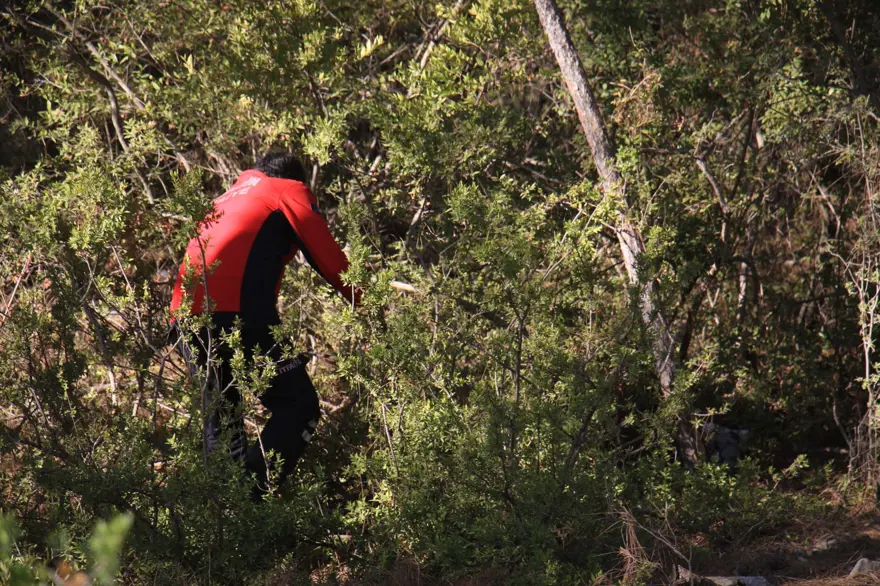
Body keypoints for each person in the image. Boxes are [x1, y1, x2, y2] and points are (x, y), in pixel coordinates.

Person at [169, 151, 359, 499]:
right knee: (299, 406)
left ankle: (229, 515)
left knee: (223, 426)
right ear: (295, 179)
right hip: (238, 314)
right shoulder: (286, 189)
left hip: (184, 320)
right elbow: (330, 261)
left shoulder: (222, 200)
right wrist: (369, 301)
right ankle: (252, 499)